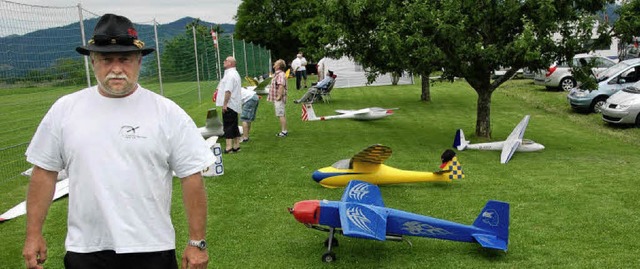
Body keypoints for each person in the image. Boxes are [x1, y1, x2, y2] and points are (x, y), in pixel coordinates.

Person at [22, 14, 213, 269]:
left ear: (138, 61)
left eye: (124, 59)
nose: (116, 68)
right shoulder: (65, 110)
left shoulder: (166, 112)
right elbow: (44, 172)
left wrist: (197, 241)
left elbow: (191, 176)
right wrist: (33, 233)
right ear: (92, 61)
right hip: (86, 249)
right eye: (106, 59)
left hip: (152, 248)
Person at [217, 56, 242, 153]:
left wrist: (225, 104)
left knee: (228, 126)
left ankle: (228, 147)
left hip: (230, 104)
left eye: (226, 60)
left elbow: (228, 91)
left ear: (230, 63)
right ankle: (236, 146)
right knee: (234, 125)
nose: (224, 61)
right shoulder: (233, 73)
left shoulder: (231, 75)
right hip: (234, 104)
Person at [268, 59, 288, 137]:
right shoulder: (278, 74)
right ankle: (284, 130)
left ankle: (284, 131)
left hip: (279, 98)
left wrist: (279, 96)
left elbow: (281, 85)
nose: (274, 65)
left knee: (280, 114)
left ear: (279, 66)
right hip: (278, 98)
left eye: (275, 64)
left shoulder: (280, 74)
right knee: (281, 114)